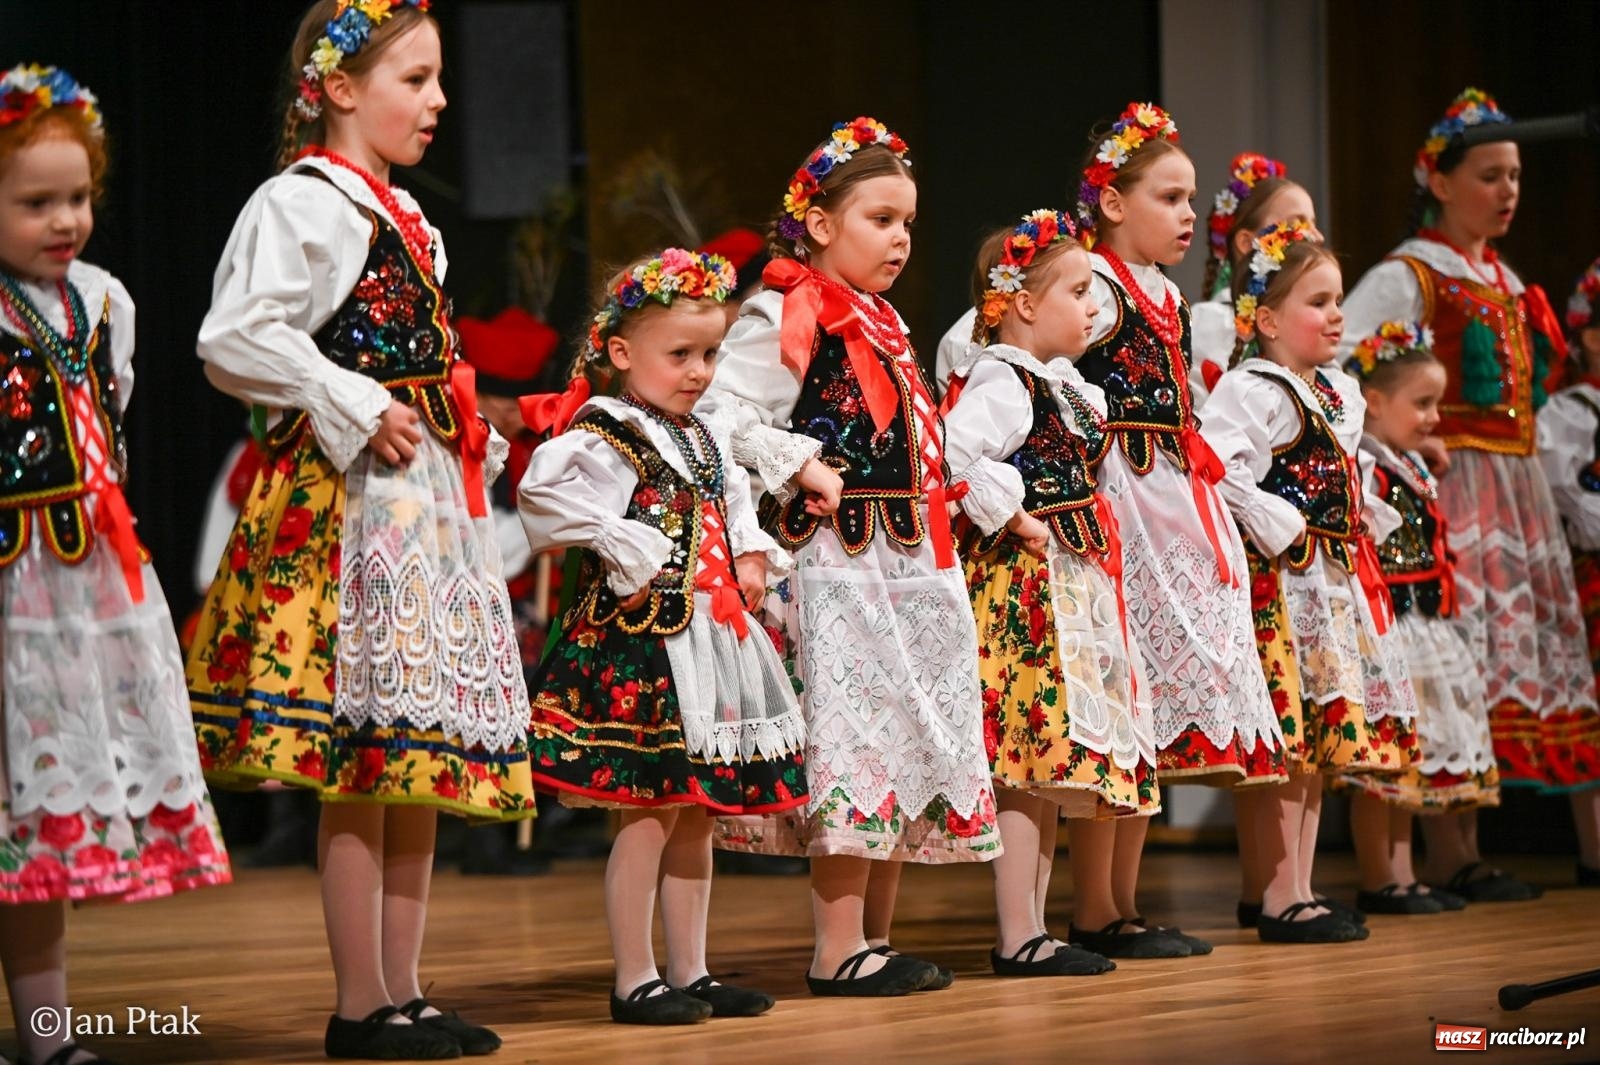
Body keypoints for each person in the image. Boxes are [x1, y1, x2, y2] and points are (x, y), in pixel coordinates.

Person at [186, 3, 531, 1057]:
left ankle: (406, 988)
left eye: (437, 82)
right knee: (361, 756)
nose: (436, 103)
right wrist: (349, 396)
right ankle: (358, 1003)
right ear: (338, 89)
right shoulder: (305, 205)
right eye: (415, 81)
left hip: (418, 505)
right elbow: (235, 337)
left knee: (410, 749)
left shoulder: (404, 216)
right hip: (350, 512)